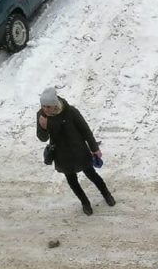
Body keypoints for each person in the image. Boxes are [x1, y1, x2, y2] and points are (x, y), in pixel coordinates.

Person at [36, 87, 115, 216]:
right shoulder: (41, 116)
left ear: (55, 104)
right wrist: (44, 128)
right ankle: (85, 203)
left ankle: (107, 194)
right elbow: (42, 138)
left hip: (79, 150)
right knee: (72, 181)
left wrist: (95, 148)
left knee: (92, 174)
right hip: (61, 154)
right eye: (43, 106)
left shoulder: (70, 111)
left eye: (48, 106)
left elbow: (86, 131)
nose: (45, 109)